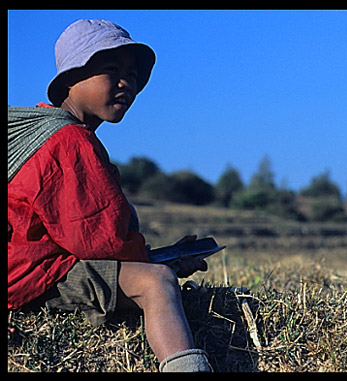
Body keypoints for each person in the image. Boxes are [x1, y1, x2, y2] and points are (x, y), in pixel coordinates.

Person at [8, 19, 212, 372]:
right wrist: (158, 265)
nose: (126, 83)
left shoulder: (46, 133)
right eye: (111, 70)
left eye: (132, 75)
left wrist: (155, 255)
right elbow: (98, 239)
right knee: (156, 283)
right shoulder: (70, 141)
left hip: (30, 266)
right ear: (70, 80)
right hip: (28, 275)